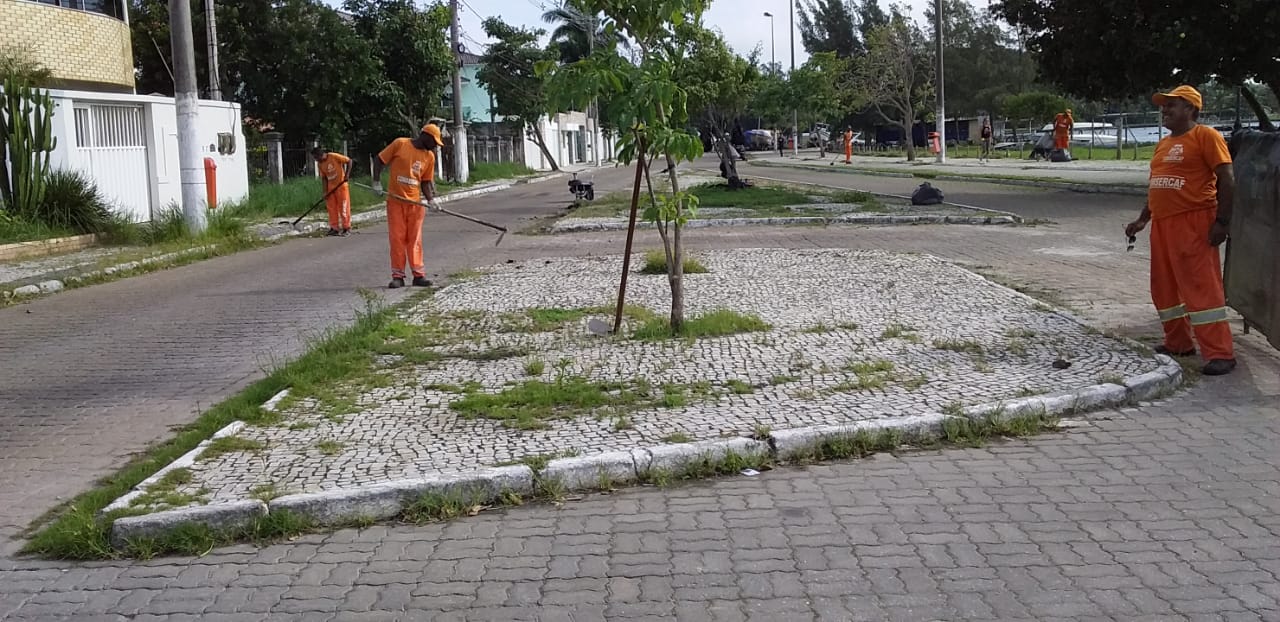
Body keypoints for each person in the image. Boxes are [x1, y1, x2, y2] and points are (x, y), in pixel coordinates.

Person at [1124, 85, 1237, 376]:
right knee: (1164, 287)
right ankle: (1178, 343)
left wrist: (1222, 222)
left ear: (1190, 108)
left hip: (1195, 221)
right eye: (1163, 106)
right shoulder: (1163, 144)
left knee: (1201, 288)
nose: (1165, 110)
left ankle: (1220, 353)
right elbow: (1157, 184)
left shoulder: (1206, 136)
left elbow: (1227, 178)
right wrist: (1142, 220)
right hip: (1162, 225)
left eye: (1172, 105)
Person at [371, 123, 442, 289]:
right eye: (434, 141)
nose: (435, 146)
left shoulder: (429, 157)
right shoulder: (400, 144)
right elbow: (379, 160)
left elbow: (425, 182)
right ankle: (398, 276)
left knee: (415, 240)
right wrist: (376, 182)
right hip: (396, 203)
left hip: (415, 204)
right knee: (397, 240)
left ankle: (418, 275)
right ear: (426, 136)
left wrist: (431, 200)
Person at [311, 147, 351, 236]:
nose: (316, 160)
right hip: (331, 189)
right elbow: (324, 178)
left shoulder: (333, 156)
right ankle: (334, 228)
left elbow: (349, 161)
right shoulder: (320, 164)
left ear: (321, 155)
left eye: (317, 158)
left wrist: (347, 175)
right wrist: (325, 192)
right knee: (332, 209)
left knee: (343, 208)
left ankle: (346, 228)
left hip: (341, 186)